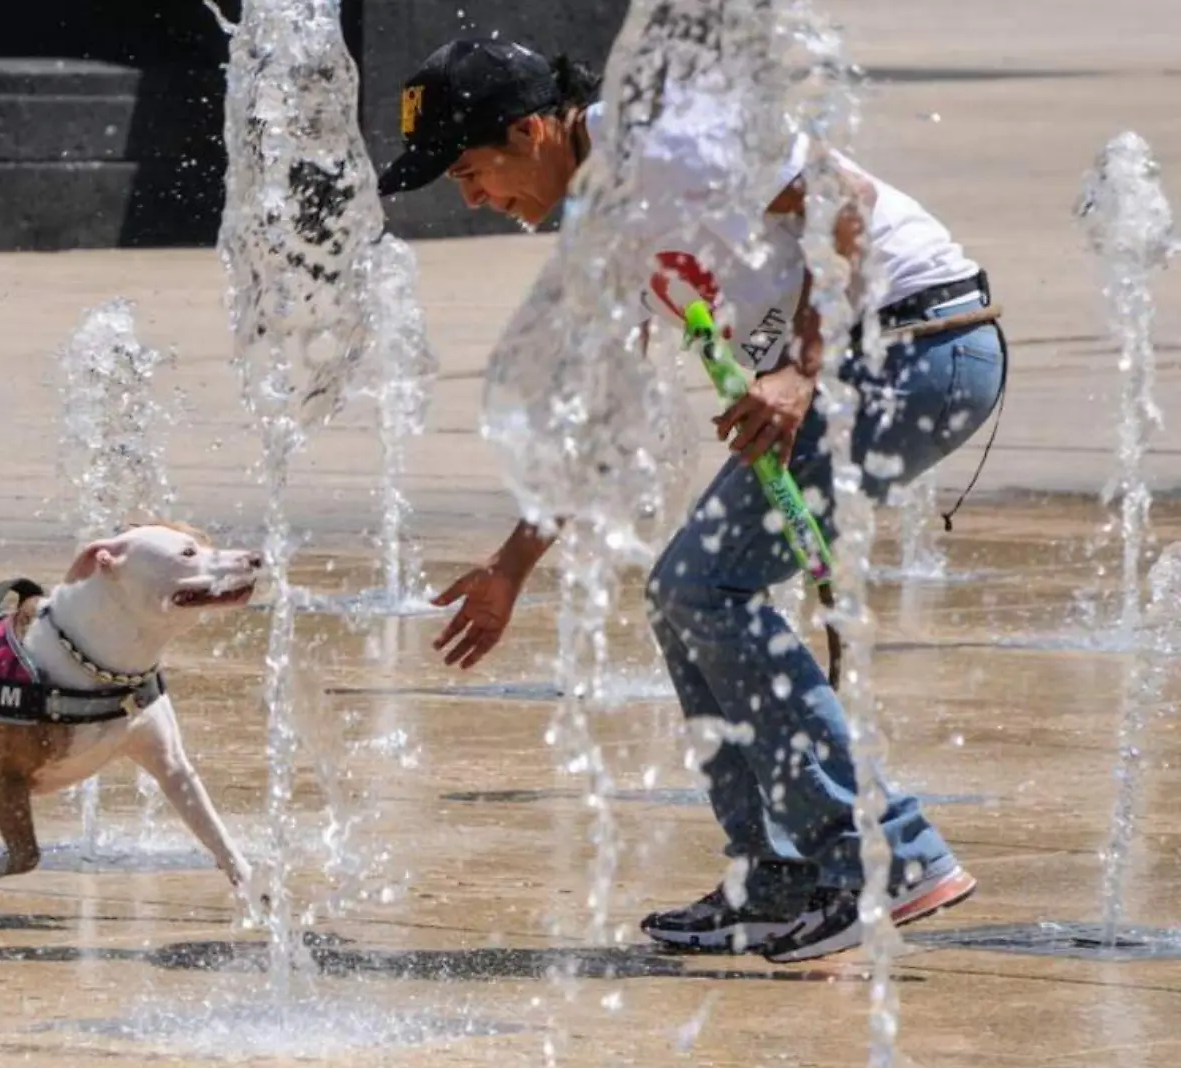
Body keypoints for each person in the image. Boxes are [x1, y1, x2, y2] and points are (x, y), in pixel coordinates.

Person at [377, 37, 1003, 963]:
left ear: (532, 130)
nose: (471, 198)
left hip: (918, 349)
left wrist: (794, 371)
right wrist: (513, 566)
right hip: (871, 368)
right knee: (682, 597)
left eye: (474, 171)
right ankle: (775, 875)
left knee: (704, 588)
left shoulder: (661, 134)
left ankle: (884, 854)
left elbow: (845, 204)